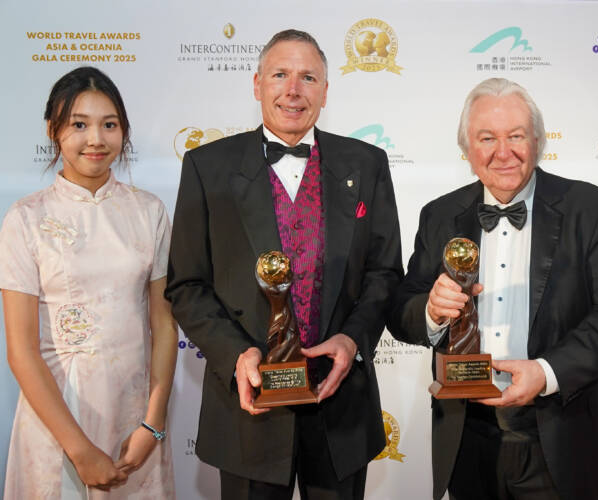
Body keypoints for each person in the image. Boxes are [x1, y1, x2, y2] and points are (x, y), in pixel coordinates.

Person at [165, 29, 402, 499]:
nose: (293, 90)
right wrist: (237, 355)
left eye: (308, 77)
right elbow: (186, 285)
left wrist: (352, 339)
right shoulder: (207, 166)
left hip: (340, 408)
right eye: (280, 75)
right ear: (257, 85)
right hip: (248, 412)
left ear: (325, 91)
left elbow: (384, 272)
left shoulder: (367, 163)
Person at [388, 77, 598, 500]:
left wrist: (546, 372)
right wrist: (431, 311)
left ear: (538, 142)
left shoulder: (592, 208)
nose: (503, 152)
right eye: (487, 138)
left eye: (516, 136)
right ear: (467, 149)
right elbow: (401, 311)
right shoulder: (439, 214)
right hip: (467, 439)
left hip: (562, 432)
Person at [0, 66, 177, 498]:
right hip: (58, 419)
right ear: (53, 130)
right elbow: (21, 350)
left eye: (109, 125)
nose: (96, 139)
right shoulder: (26, 218)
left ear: (124, 132)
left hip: (135, 422)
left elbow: (164, 326)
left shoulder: (149, 212)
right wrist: (79, 450)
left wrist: (152, 425)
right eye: (79, 125)